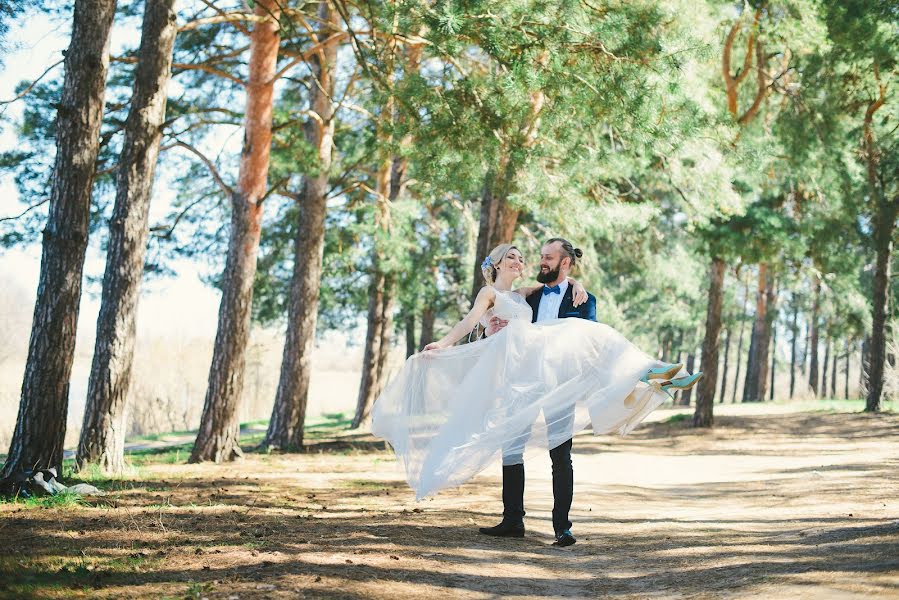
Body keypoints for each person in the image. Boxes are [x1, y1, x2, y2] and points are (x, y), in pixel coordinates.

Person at [370, 240, 701, 546]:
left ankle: (563, 527)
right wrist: (451, 341)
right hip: (520, 385)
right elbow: (475, 321)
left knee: (562, 451)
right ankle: (513, 520)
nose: (529, 261)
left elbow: (578, 332)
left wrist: (574, 282)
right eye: (516, 257)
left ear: (565, 263)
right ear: (497, 265)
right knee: (511, 450)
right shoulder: (514, 295)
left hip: (558, 384)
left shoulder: (547, 295)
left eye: (538, 258)